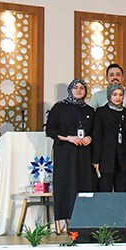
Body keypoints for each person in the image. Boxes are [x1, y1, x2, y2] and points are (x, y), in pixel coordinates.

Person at [45, 79, 95, 226]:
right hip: (65, 152)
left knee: (83, 183)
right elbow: (50, 130)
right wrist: (69, 138)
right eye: (75, 87)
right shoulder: (59, 107)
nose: (79, 90)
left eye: (82, 88)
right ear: (70, 90)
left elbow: (95, 131)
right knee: (67, 182)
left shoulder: (89, 110)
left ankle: (83, 219)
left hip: (84, 153)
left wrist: (89, 138)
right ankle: (67, 219)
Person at [91, 84, 126, 193]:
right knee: (105, 189)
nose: (118, 97)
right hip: (106, 158)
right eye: (115, 94)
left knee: (122, 190)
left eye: (120, 95)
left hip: (123, 158)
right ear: (109, 95)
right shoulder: (101, 112)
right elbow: (97, 136)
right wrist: (96, 160)